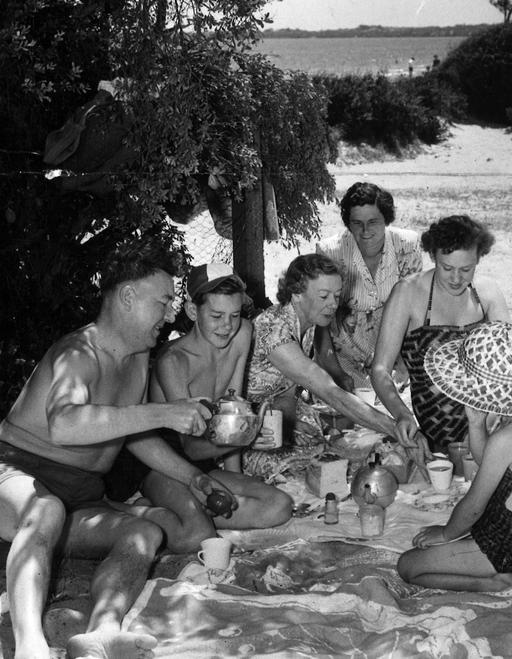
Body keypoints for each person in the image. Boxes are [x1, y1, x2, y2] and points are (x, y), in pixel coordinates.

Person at [0, 238, 233, 659]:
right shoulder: (79, 352)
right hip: (16, 480)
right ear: (128, 297)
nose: (169, 314)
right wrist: (162, 413)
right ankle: (28, 647)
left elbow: (130, 431)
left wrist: (192, 476)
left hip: (80, 497)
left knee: (146, 532)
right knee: (47, 509)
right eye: (162, 302)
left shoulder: (137, 358)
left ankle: (102, 632)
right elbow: (66, 425)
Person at [398, 321, 512, 591]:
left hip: (503, 549)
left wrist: (446, 533)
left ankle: (501, 583)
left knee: (408, 566)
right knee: (446, 545)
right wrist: (476, 424)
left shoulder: (509, 437)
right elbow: (491, 462)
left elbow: (474, 505)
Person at [142, 262, 293, 550]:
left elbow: (233, 414)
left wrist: (235, 479)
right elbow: (191, 447)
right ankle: (140, 510)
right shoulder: (173, 362)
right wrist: (248, 436)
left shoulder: (242, 334)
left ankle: (187, 507)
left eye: (234, 315)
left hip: (206, 459)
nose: (227, 326)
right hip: (163, 463)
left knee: (279, 505)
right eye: (216, 315)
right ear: (191, 311)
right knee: (196, 534)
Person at [370, 215, 510, 459]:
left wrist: (485, 423)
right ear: (433, 257)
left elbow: (509, 366)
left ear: (479, 259)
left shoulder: (487, 292)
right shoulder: (408, 292)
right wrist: (402, 414)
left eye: (466, 269)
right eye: (447, 268)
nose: (456, 279)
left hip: (488, 423)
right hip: (432, 430)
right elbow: (380, 370)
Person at [245, 253, 398, 453]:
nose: (333, 304)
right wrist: (394, 428)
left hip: (272, 411)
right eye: (324, 296)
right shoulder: (275, 330)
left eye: (337, 296)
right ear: (296, 293)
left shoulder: (306, 323)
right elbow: (329, 391)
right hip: (245, 422)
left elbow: (286, 392)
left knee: (322, 447)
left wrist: (290, 428)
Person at [316, 182, 422, 387]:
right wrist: (336, 373)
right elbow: (321, 320)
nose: (365, 231)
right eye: (357, 223)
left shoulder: (407, 245)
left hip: (396, 351)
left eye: (373, 221)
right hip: (343, 355)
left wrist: (400, 359)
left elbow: (414, 310)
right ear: (348, 223)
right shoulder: (330, 251)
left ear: (386, 219)